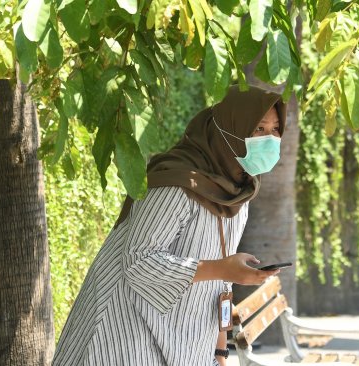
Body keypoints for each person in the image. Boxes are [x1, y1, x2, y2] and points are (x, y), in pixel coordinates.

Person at [52, 84, 287, 366]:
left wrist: (220, 353)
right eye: (259, 129)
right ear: (229, 130)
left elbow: (219, 285)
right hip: (122, 333)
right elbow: (139, 261)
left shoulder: (239, 194)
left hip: (180, 340)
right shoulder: (177, 184)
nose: (270, 140)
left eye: (275, 130)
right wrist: (222, 268)